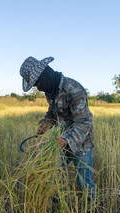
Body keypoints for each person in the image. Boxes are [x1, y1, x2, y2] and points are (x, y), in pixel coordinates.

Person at [19, 56, 95, 198]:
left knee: (83, 182)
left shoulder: (73, 89)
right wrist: (46, 123)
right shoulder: (50, 90)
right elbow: (53, 112)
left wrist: (66, 140)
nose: (39, 88)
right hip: (60, 143)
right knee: (54, 177)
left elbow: (84, 122)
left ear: (46, 74)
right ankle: (56, 208)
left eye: (38, 83)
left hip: (81, 143)